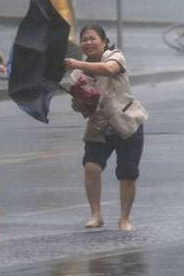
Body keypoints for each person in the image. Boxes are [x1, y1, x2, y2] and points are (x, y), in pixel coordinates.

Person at [64, 24, 148, 231]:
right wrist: (81, 100)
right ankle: (96, 214)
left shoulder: (115, 56)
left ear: (103, 41)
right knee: (91, 167)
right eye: (84, 39)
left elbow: (109, 70)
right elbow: (81, 109)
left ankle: (124, 219)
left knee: (127, 174)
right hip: (98, 126)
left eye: (93, 38)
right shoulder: (76, 74)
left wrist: (78, 64)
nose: (88, 43)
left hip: (127, 123)